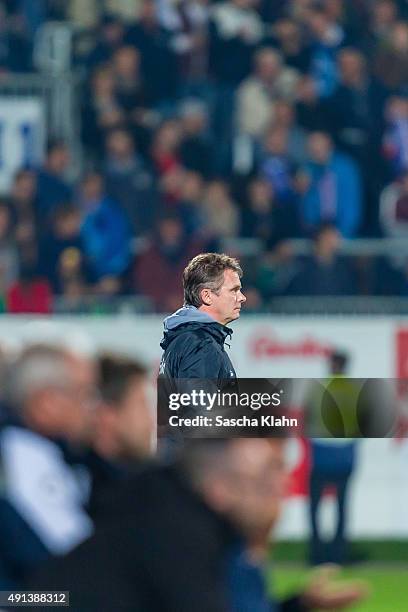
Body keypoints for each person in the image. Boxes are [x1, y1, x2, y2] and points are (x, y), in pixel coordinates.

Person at [25, 438, 366, 612]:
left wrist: (297, 604)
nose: (281, 490)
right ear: (220, 489)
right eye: (264, 479)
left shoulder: (173, 514)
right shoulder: (181, 538)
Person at [0, 343, 97, 588]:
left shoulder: (47, 452)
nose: (90, 407)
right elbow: (74, 553)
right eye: (82, 393)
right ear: (46, 402)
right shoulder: (24, 456)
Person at [305, 351, 359, 566]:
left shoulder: (320, 389)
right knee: (342, 507)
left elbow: (309, 422)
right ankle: (338, 556)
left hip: (322, 456)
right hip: (345, 457)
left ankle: (317, 555)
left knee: (315, 507)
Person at [159, 252, 246, 382]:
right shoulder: (200, 344)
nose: (242, 298)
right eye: (234, 290)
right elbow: (197, 401)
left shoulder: (188, 338)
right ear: (207, 296)